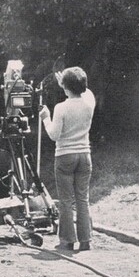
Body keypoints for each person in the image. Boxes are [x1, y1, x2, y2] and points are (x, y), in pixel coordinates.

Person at [40, 66, 95, 252]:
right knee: (82, 199)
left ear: (65, 87)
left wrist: (46, 118)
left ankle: (67, 241)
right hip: (84, 155)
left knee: (65, 200)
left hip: (65, 155)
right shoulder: (89, 103)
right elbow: (86, 92)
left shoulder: (60, 108)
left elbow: (54, 135)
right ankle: (85, 240)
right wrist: (65, 81)